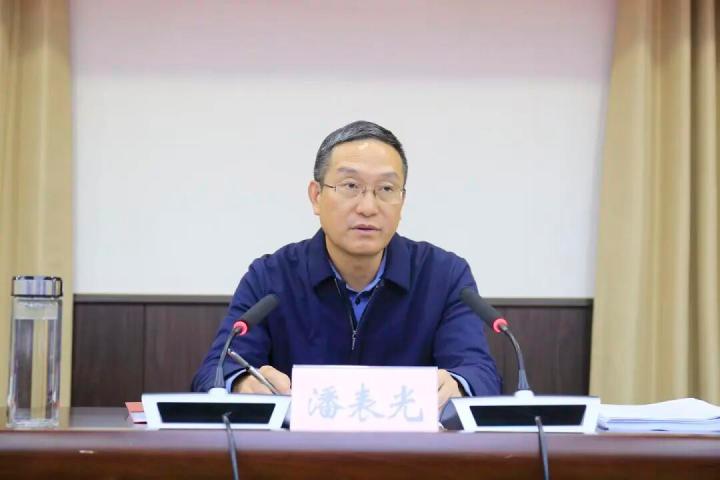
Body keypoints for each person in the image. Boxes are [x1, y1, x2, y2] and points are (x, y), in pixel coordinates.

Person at [191, 120, 501, 408]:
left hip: (408, 448)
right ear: (316, 196)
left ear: (402, 202)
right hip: (297, 447)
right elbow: (214, 373)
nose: (368, 207)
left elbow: (481, 374)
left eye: (386, 189)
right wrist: (241, 383)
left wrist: (459, 385)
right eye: (350, 186)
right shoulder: (271, 277)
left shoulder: (443, 276)